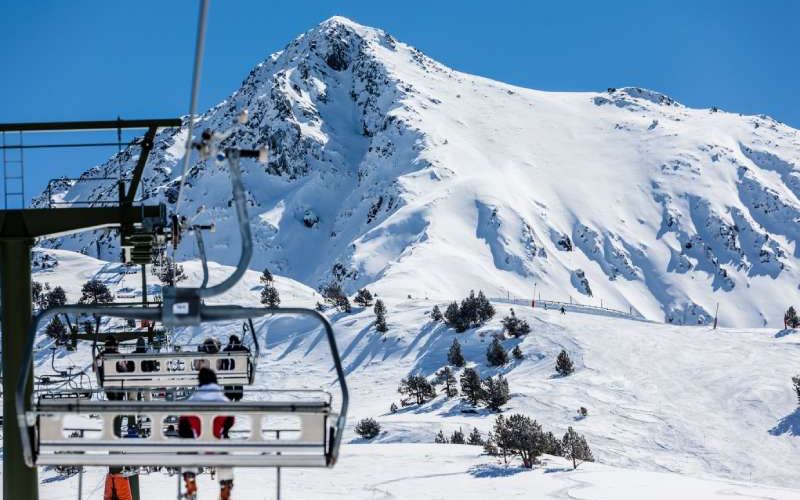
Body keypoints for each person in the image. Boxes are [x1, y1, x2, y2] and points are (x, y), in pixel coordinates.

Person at [179, 367, 235, 500]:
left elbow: (182, 427)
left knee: (186, 445)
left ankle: (190, 478)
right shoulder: (224, 402)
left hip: (197, 446)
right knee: (225, 445)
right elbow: (230, 421)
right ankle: (225, 484)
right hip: (218, 446)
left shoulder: (191, 402)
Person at [221, 334, 249, 401]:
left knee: (229, 381)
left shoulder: (227, 349)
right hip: (239, 373)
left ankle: (230, 397)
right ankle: (237, 398)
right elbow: (248, 353)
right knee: (237, 381)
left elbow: (222, 360)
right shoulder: (242, 348)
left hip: (229, 373)